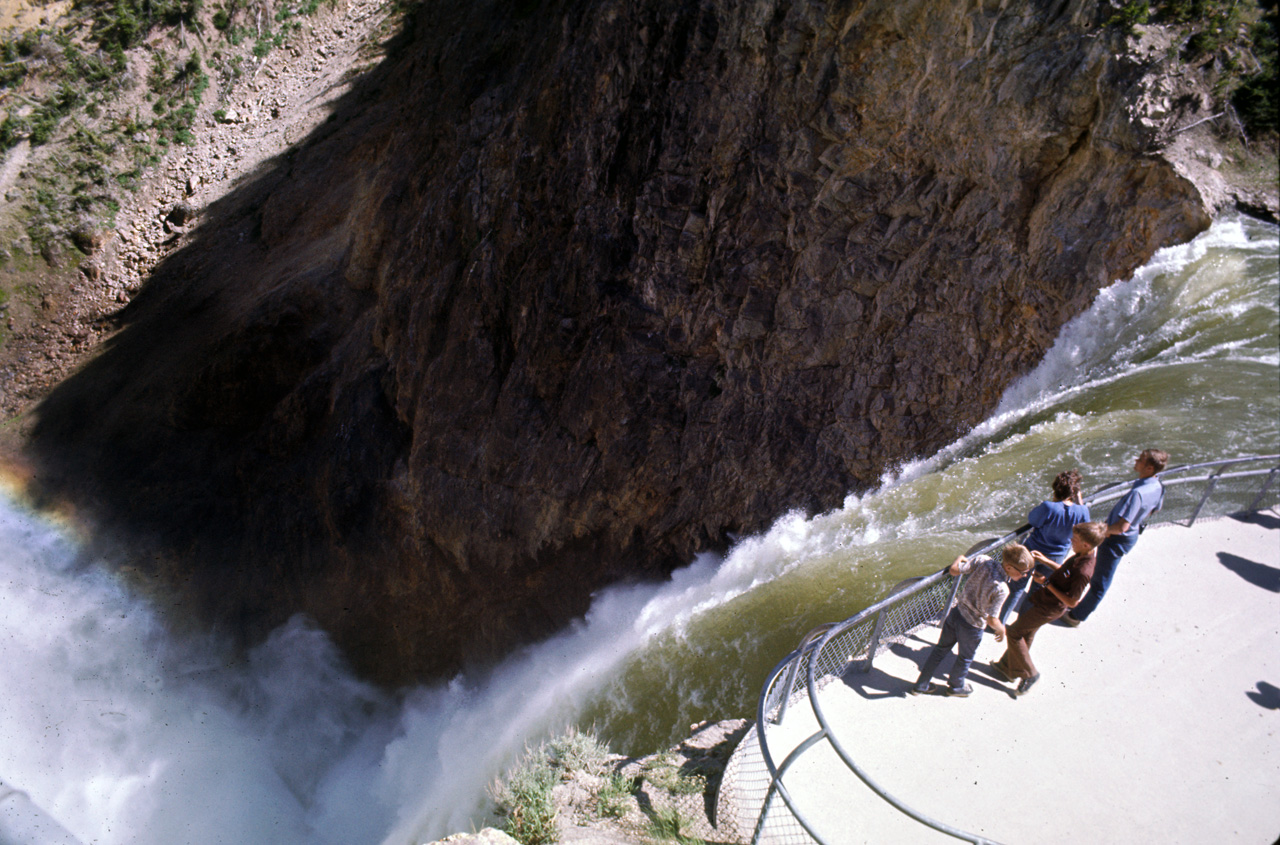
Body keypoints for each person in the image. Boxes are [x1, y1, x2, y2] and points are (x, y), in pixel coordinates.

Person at [992, 521, 1108, 696]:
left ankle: (1031, 674)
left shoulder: (1085, 570)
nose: (1071, 540)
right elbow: (1067, 573)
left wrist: (1047, 583)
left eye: (1075, 539)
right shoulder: (1083, 554)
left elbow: (1072, 602)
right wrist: (1046, 561)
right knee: (1028, 633)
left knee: (1015, 632)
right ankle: (1008, 668)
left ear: (1086, 544)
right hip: (1046, 602)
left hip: (1050, 607)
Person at [910, 544, 1034, 697]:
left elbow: (954, 570)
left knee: (939, 650)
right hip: (973, 626)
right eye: (1023, 572)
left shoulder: (983, 560)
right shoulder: (1002, 589)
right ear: (1009, 568)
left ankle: (920, 685)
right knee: (965, 658)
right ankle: (956, 687)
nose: (1025, 576)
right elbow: (992, 619)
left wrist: (960, 558)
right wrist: (1002, 629)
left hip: (957, 613)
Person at [1063, 449, 1168, 626]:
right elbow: (1155, 509)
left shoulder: (1137, 493)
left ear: (1149, 468)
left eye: (1141, 460)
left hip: (1115, 541)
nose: (1136, 460)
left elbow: (1120, 527)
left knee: (1100, 582)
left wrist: (1097, 532)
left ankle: (1076, 616)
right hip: (1130, 536)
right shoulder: (1158, 486)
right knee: (1099, 575)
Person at [1000, 469, 1090, 621]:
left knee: (1017, 587)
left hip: (1032, 552)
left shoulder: (1049, 507)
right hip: (1055, 557)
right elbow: (1085, 527)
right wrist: (1080, 501)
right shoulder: (1082, 511)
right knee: (1036, 592)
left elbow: (1033, 520)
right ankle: (1021, 623)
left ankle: (1000, 620)